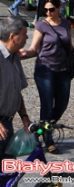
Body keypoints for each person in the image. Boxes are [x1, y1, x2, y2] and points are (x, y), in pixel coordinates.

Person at [19, 0, 74, 154]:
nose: (48, 12)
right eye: (45, 10)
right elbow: (34, 48)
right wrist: (23, 53)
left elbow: (69, 45)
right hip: (45, 69)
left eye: (51, 9)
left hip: (63, 70)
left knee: (62, 104)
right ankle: (48, 139)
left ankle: (40, 130)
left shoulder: (66, 24)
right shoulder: (42, 25)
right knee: (47, 105)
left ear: (59, 7)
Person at [0, 16, 32, 162]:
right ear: (13, 37)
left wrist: (24, 117)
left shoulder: (14, 57)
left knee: (8, 174)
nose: (27, 37)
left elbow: (16, 91)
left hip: (8, 124)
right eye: (24, 33)